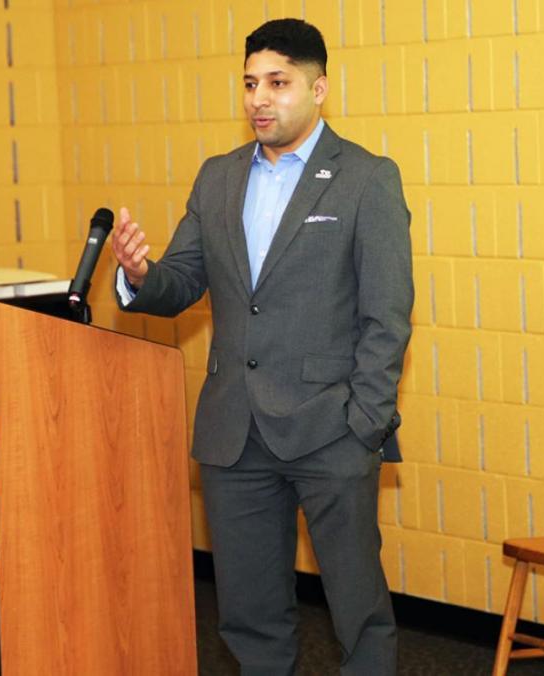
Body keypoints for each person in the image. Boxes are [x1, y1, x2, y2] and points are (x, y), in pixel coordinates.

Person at [111, 18, 412, 676]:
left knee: (358, 612)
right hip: (233, 431)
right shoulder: (217, 178)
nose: (259, 98)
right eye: (249, 83)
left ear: (318, 88)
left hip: (330, 428)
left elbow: (386, 315)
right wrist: (139, 275)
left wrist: (362, 422)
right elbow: (182, 281)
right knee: (248, 618)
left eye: (277, 83)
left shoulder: (366, 178)